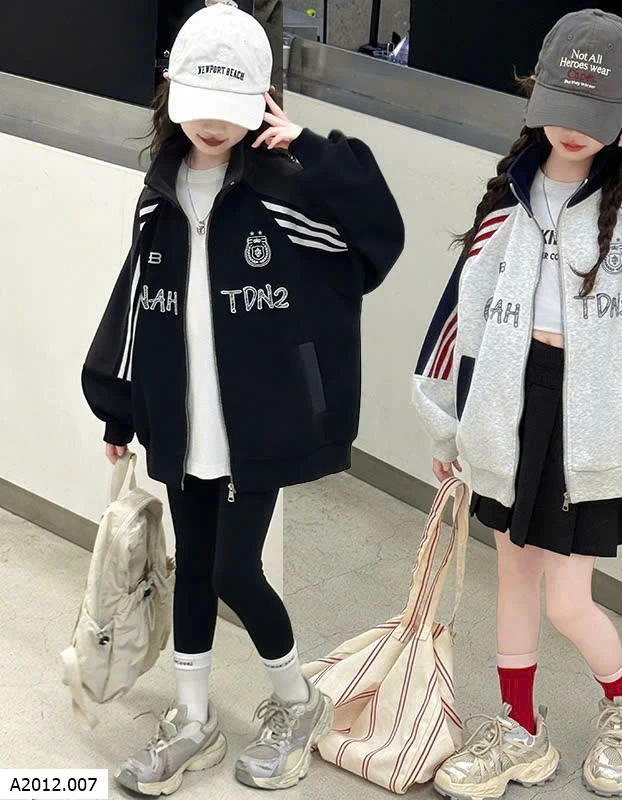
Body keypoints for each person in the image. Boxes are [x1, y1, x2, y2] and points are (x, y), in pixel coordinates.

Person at [413, 9, 622, 798]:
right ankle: (518, 729)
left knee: (568, 600)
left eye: (594, 113)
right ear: (536, 97)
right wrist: (446, 423)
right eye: (561, 106)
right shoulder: (510, 199)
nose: (573, 129)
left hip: (600, 423)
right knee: (512, 579)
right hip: (509, 409)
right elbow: (459, 316)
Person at [82, 3, 403, 795]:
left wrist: (315, 150)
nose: (213, 125)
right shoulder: (159, 196)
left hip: (258, 426)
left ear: (261, 102)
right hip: (181, 421)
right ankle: (193, 722)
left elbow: (377, 240)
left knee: (232, 569)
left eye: (232, 108)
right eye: (199, 105)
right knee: (193, 569)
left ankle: (298, 702)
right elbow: (136, 303)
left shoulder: (287, 193)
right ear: (171, 96)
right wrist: (119, 406)